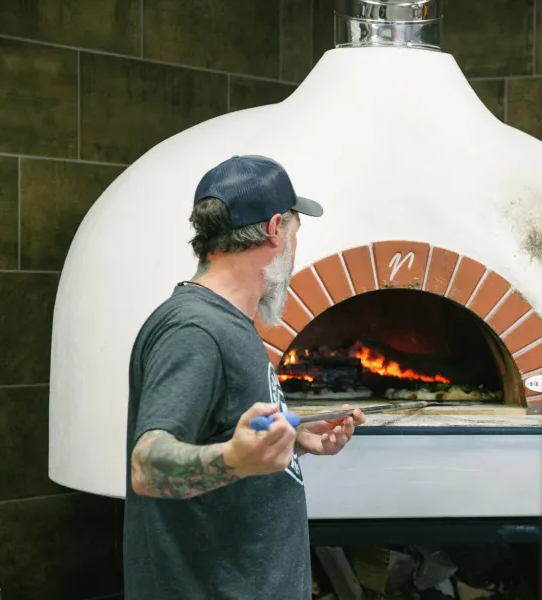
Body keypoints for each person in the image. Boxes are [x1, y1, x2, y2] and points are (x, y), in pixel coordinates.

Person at [122, 155, 366, 600]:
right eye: (295, 232)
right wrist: (235, 459)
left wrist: (294, 436)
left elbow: (221, 432)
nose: (295, 247)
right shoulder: (195, 330)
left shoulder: (226, 321)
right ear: (276, 230)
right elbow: (148, 465)